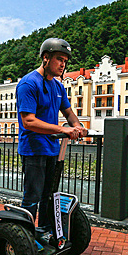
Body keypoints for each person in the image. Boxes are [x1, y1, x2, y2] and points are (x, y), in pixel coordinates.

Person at [16, 38, 87, 232]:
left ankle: (46, 232)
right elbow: (28, 121)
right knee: (33, 197)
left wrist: (78, 127)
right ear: (45, 58)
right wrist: (63, 129)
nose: (63, 64)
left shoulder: (58, 87)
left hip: (52, 149)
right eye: (59, 59)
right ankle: (26, 238)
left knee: (49, 195)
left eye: (65, 60)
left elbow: (69, 113)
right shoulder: (28, 84)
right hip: (34, 149)